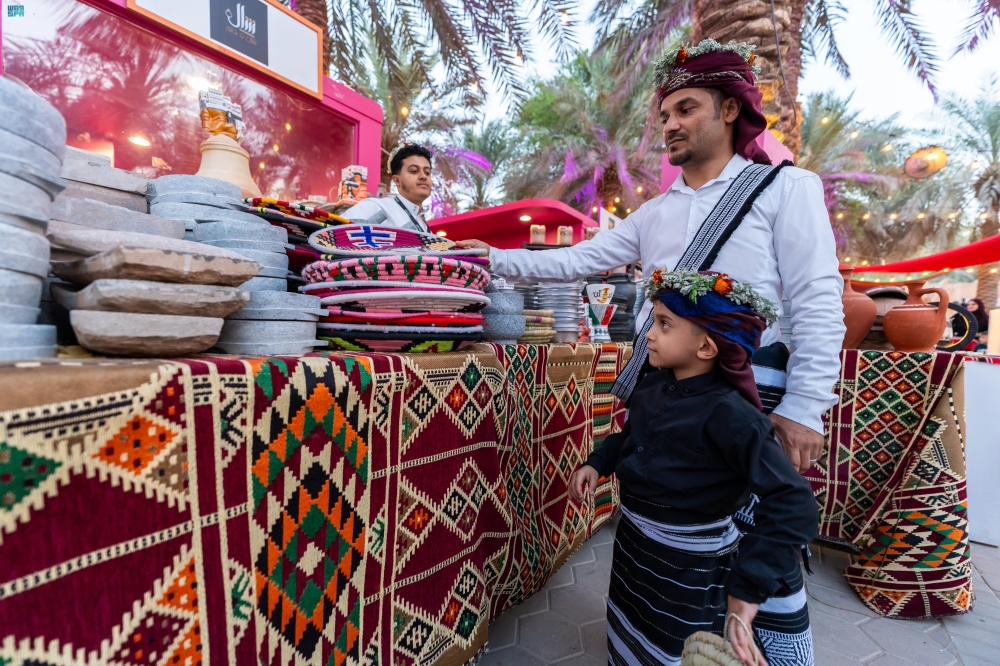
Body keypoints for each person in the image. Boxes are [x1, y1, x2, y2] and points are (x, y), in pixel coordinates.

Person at [458, 39, 842, 663]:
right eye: (664, 115)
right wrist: (482, 259)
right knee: (672, 536)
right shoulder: (655, 211)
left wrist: (804, 405)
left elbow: (818, 299)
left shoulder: (785, 188)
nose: (670, 125)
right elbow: (577, 261)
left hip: (759, 396)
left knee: (759, 542)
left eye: (686, 109)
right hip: (674, 394)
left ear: (728, 110)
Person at [570, 270, 818, 666]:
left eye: (664, 324)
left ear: (707, 347)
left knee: (675, 643)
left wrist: (748, 586)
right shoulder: (652, 386)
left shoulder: (733, 416)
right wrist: (597, 463)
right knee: (632, 621)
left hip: (689, 568)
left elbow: (794, 503)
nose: (649, 333)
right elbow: (631, 435)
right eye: (653, 320)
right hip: (636, 545)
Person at [343, 143, 433, 231]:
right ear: (397, 180)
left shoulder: (424, 227)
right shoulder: (380, 208)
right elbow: (337, 234)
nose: (423, 176)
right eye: (414, 171)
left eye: (427, 172)